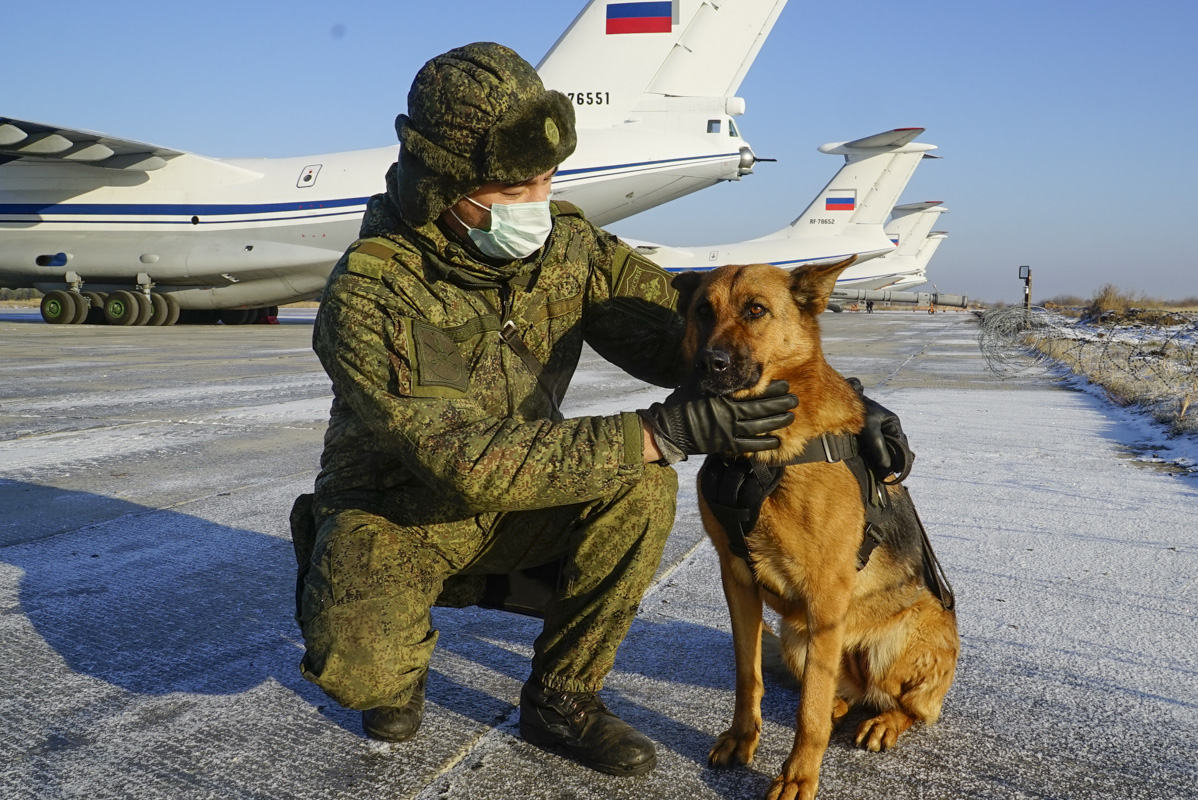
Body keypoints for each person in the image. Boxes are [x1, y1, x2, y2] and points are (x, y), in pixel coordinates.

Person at [290, 42, 902, 779]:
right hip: (402, 513)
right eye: (515, 186)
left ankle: (561, 697)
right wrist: (663, 430)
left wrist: (839, 403)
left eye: (547, 179)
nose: (538, 203)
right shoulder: (373, 290)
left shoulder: (568, 246)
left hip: (524, 500)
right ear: (442, 182)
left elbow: (689, 332)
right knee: (363, 676)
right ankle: (355, 577)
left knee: (643, 486)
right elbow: (466, 460)